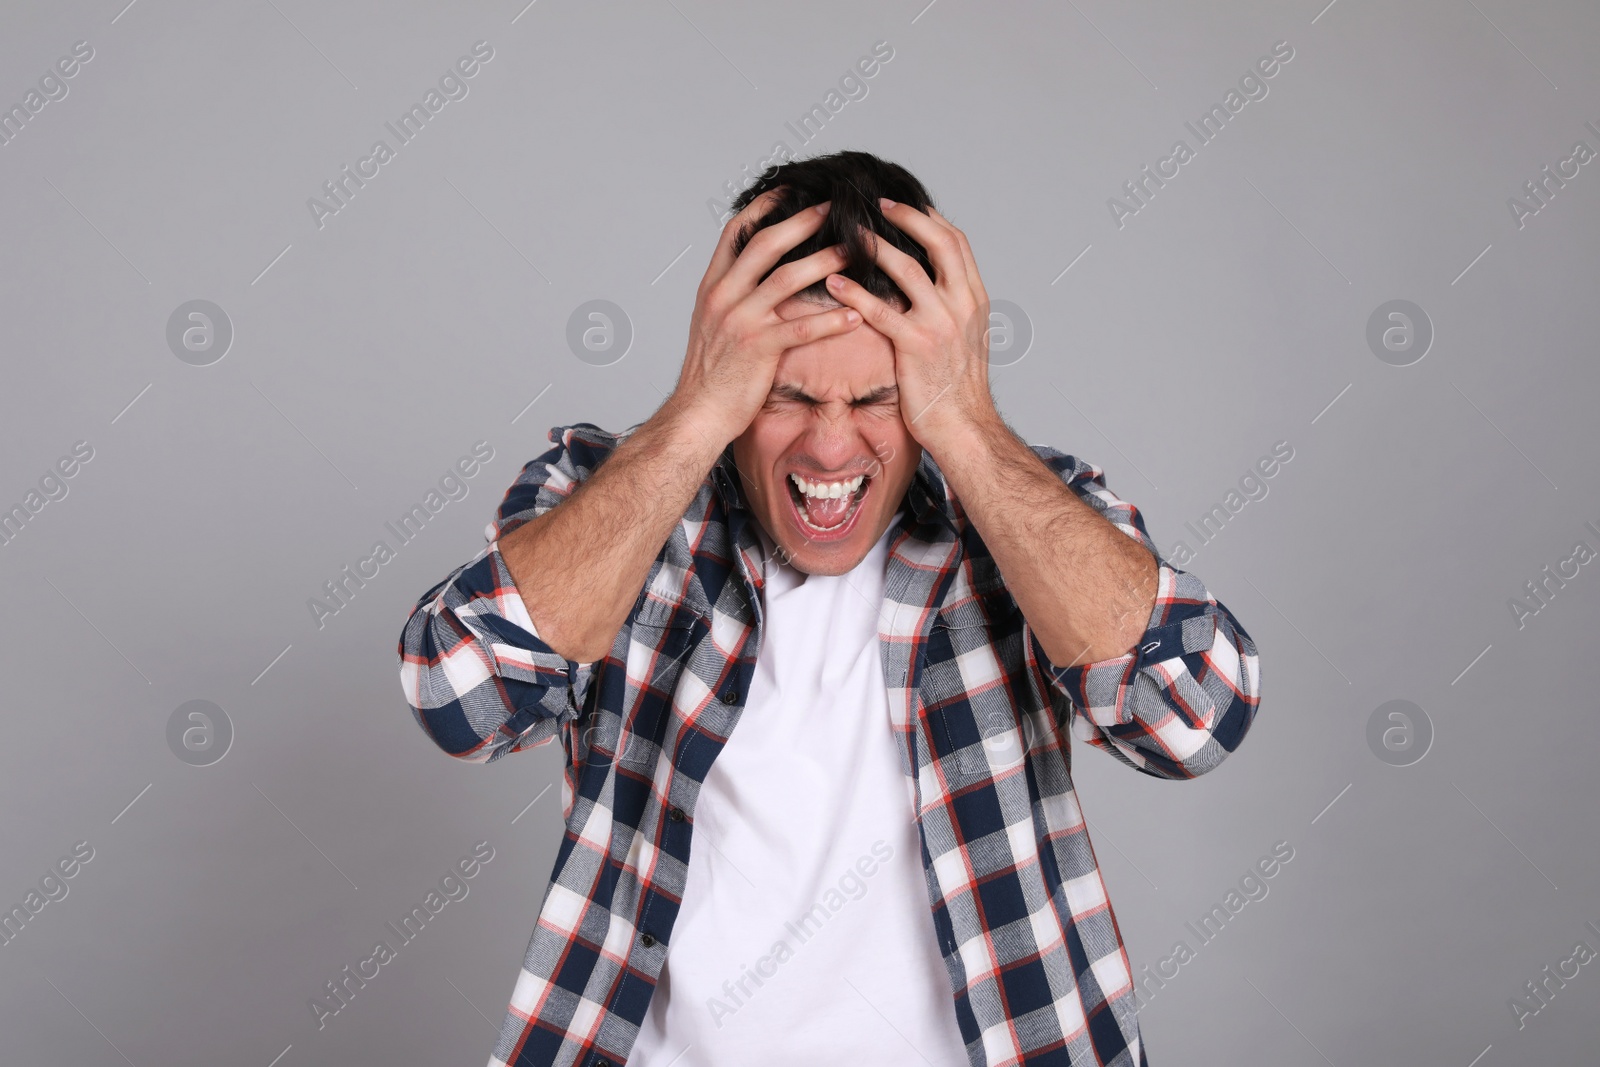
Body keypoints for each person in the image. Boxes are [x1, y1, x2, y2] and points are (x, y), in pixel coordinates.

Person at [399, 150, 1261, 1067]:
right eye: (788, 395)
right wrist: (694, 416)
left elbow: (1195, 719)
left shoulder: (1026, 515)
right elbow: (463, 700)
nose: (830, 441)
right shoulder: (606, 498)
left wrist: (967, 428)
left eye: (881, 398)